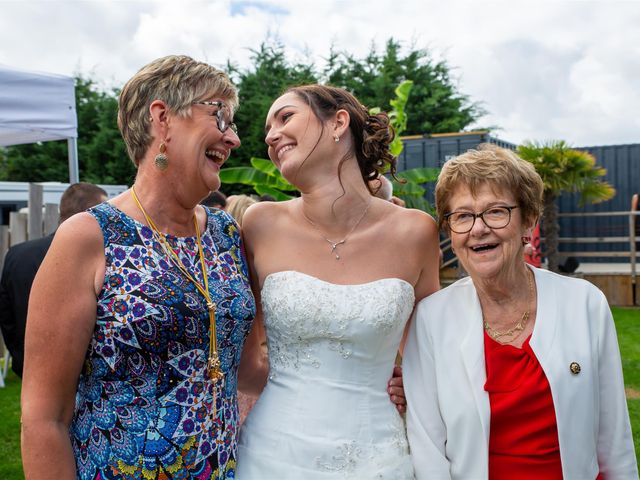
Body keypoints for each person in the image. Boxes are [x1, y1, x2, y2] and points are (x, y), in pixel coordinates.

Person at [21, 55, 256, 479]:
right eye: (220, 116)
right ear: (162, 118)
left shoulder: (226, 234)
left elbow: (254, 364)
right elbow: (43, 417)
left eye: (233, 123)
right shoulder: (90, 236)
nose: (233, 138)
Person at [236, 84, 441, 478]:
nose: (270, 135)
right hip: (274, 454)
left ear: (338, 123)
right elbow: (246, 362)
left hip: (377, 456)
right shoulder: (260, 224)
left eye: (285, 117)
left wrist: (408, 385)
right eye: (267, 128)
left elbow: (428, 353)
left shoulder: (415, 232)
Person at [403, 144, 637, 479]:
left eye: (496, 212)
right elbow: (427, 451)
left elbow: (614, 437)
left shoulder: (585, 303)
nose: (478, 228)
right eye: (463, 216)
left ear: (528, 220)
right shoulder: (431, 318)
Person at [0, 182, 107, 378]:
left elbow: (6, 316)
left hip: (27, 366)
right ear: (88, 214)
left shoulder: (16, 254)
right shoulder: (93, 255)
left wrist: (20, 359)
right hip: (78, 372)